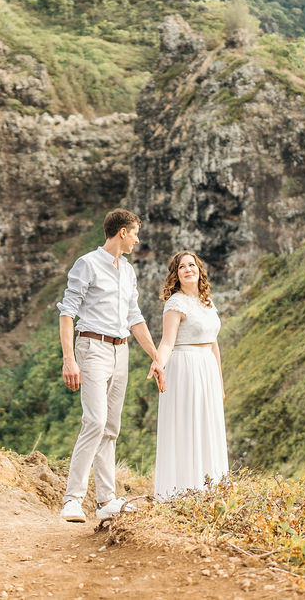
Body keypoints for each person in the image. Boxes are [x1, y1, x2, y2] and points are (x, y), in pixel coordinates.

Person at [56, 208, 164, 523]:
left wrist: (156, 357)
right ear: (121, 232)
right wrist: (69, 359)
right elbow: (67, 312)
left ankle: (106, 501)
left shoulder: (128, 271)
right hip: (91, 348)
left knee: (110, 429)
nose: (137, 239)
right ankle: (72, 500)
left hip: (121, 352)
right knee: (94, 420)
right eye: (134, 233)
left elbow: (135, 317)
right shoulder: (87, 264)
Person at [149, 251, 228, 499]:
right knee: (186, 426)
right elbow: (167, 343)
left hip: (207, 367)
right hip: (185, 367)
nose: (188, 269)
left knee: (208, 425)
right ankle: (181, 491)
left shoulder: (207, 302)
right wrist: (158, 362)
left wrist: (220, 384)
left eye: (191, 265)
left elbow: (214, 345)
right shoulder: (176, 303)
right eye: (181, 267)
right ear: (176, 274)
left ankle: (211, 489)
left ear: (199, 269)